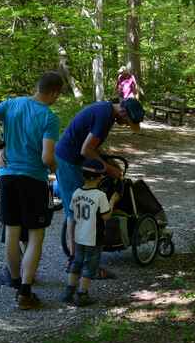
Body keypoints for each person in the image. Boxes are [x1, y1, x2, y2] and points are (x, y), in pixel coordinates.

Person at [0, 71, 63, 310]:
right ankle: (25, 292)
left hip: (6, 177)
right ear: (54, 93)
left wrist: (0, 144)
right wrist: (58, 169)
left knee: (12, 233)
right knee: (35, 235)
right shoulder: (49, 118)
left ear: (37, 86)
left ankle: (14, 280)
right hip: (32, 180)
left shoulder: (12, 104)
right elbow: (46, 157)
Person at [56, 97, 145, 267]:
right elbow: (86, 150)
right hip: (68, 160)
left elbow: (93, 145)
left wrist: (109, 162)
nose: (126, 125)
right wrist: (109, 169)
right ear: (123, 112)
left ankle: (82, 259)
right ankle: (76, 261)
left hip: (73, 159)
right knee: (76, 210)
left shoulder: (106, 112)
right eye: (127, 122)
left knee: (80, 207)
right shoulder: (105, 116)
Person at [60, 159, 120, 306]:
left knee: (77, 261)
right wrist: (112, 201)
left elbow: (73, 214)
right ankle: (82, 294)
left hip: (79, 236)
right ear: (98, 178)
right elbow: (106, 216)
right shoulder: (100, 196)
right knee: (90, 265)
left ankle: (69, 291)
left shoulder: (77, 193)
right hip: (94, 237)